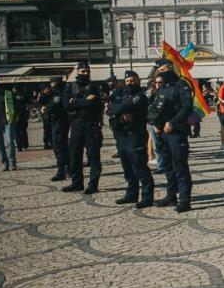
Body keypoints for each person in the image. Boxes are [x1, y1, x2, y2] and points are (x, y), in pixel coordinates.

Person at [148, 58, 194, 213]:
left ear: (169, 68)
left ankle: (185, 200)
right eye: (158, 72)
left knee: (180, 166)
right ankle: (171, 195)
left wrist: (172, 122)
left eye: (162, 71)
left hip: (176, 132)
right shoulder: (163, 87)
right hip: (162, 132)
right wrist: (154, 123)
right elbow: (156, 107)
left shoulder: (181, 85)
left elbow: (187, 107)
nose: (160, 74)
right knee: (168, 166)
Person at [107, 70, 154, 208]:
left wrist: (119, 108)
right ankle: (131, 194)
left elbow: (124, 105)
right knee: (127, 167)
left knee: (140, 167)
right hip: (122, 135)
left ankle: (147, 196)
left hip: (135, 134)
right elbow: (110, 108)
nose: (130, 83)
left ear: (139, 80)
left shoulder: (140, 95)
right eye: (127, 81)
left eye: (133, 81)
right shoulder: (122, 93)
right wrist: (120, 111)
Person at [62, 61, 103, 193]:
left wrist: (76, 101)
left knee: (93, 157)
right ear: (77, 72)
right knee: (75, 156)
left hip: (91, 125)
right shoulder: (69, 87)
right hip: (76, 124)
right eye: (83, 72)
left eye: (88, 72)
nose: (86, 74)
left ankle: (93, 185)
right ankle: (76, 182)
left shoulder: (94, 87)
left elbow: (96, 103)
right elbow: (66, 105)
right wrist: (85, 101)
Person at [46, 76, 70, 181]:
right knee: (60, 145)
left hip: (60, 121)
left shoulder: (61, 92)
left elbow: (61, 106)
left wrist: (50, 110)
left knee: (59, 146)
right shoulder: (53, 92)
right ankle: (68, 168)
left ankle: (62, 170)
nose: (51, 84)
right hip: (53, 121)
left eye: (52, 83)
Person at [12, 86, 30, 151]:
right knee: (23, 130)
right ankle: (25, 145)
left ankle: (19, 146)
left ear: (14, 89)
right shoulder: (24, 95)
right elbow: (29, 103)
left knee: (16, 131)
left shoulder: (12, 96)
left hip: (16, 115)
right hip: (24, 114)